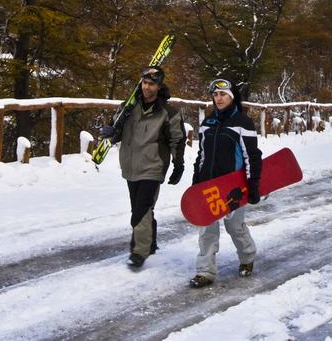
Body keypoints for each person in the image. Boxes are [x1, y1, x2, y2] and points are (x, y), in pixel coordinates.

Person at [100, 66, 185, 268]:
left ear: (159, 86)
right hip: (130, 165)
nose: (147, 87)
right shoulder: (127, 107)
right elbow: (116, 132)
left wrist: (178, 164)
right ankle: (152, 242)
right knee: (141, 206)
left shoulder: (168, 113)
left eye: (152, 84)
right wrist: (109, 130)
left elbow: (177, 139)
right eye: (145, 83)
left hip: (153, 166)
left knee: (141, 208)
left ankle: (140, 250)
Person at [188, 78, 262, 288]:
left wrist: (253, 184)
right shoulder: (207, 123)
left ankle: (247, 258)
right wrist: (197, 181)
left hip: (233, 185)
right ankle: (205, 271)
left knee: (234, 226)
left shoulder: (242, 122)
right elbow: (202, 154)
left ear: (231, 96)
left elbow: (251, 156)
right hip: (209, 185)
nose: (219, 98)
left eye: (223, 94)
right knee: (206, 229)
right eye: (216, 95)